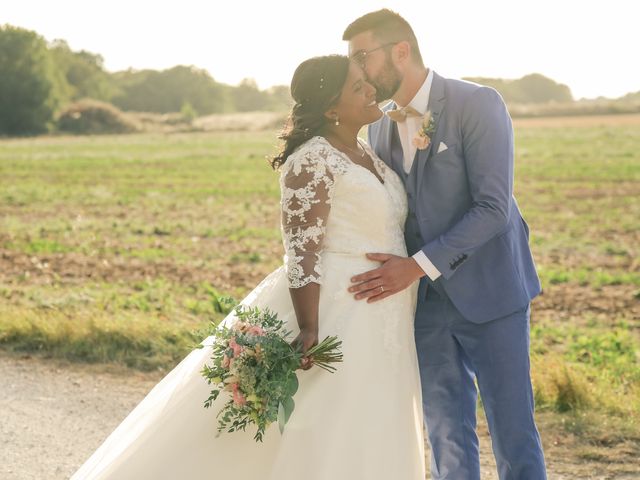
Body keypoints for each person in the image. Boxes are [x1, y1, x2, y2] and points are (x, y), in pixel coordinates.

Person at [70, 55, 426, 480]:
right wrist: (310, 328)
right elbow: (302, 252)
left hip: (386, 315)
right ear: (332, 108)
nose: (371, 89)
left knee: (374, 421)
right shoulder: (311, 159)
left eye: (366, 82)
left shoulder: (367, 150)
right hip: (337, 312)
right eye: (358, 87)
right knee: (324, 428)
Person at [343, 9, 547, 480]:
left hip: (491, 292)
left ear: (401, 51)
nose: (357, 72)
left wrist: (414, 266)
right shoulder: (376, 126)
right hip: (424, 305)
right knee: (446, 436)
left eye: (362, 57)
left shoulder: (478, 103)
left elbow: (493, 209)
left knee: (513, 433)